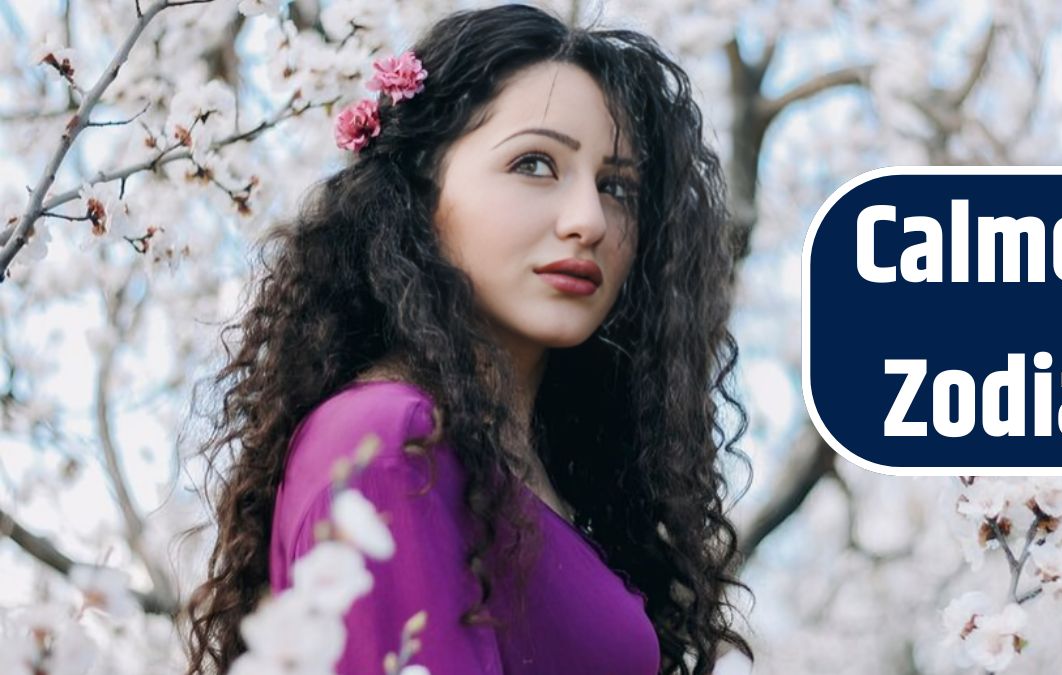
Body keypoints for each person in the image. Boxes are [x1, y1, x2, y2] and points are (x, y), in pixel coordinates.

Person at [183, 4, 754, 674]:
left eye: (618, 186)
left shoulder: (529, 470)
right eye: (536, 164)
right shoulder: (393, 440)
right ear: (419, 190)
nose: (589, 220)